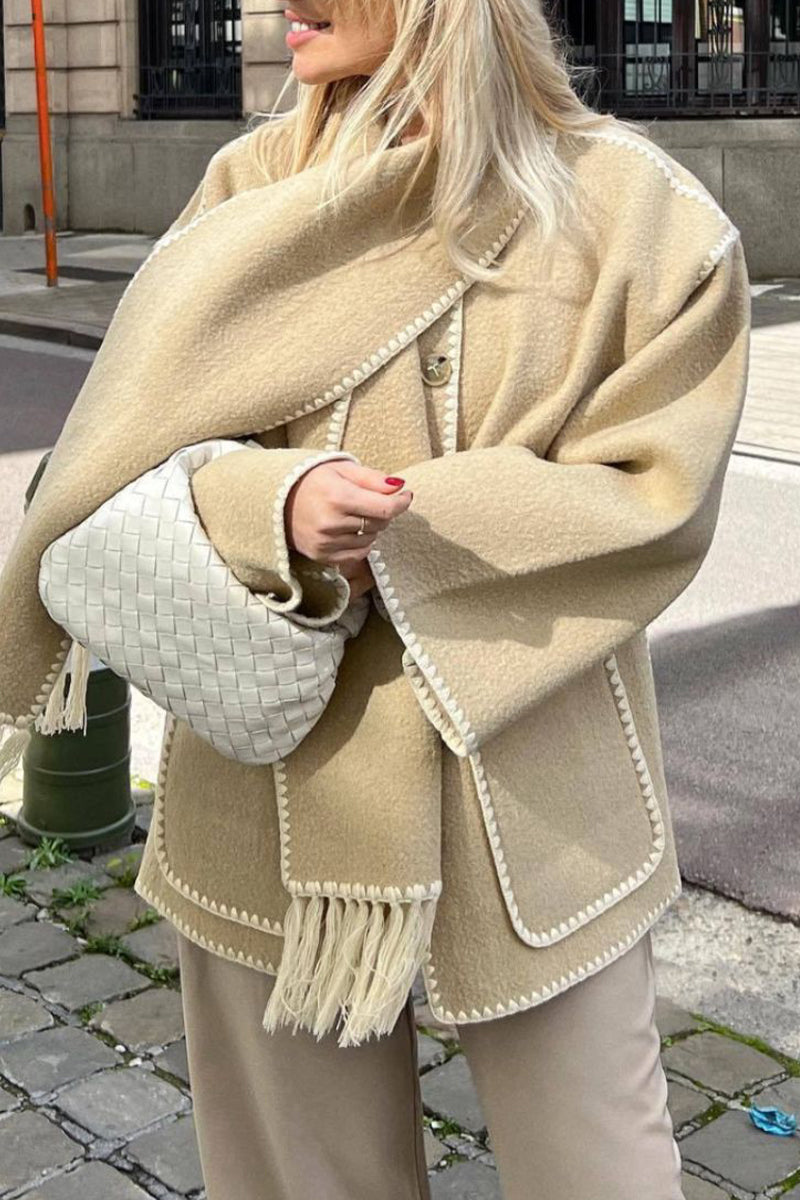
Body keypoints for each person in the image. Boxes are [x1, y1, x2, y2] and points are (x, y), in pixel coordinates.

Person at [0, 1, 751, 1197]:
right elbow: (121, 453)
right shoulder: (253, 183)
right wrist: (272, 504)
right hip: (268, 784)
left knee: (598, 1167)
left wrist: (408, 529)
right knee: (295, 1174)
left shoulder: (637, 213)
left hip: (537, 798)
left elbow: (656, 492)